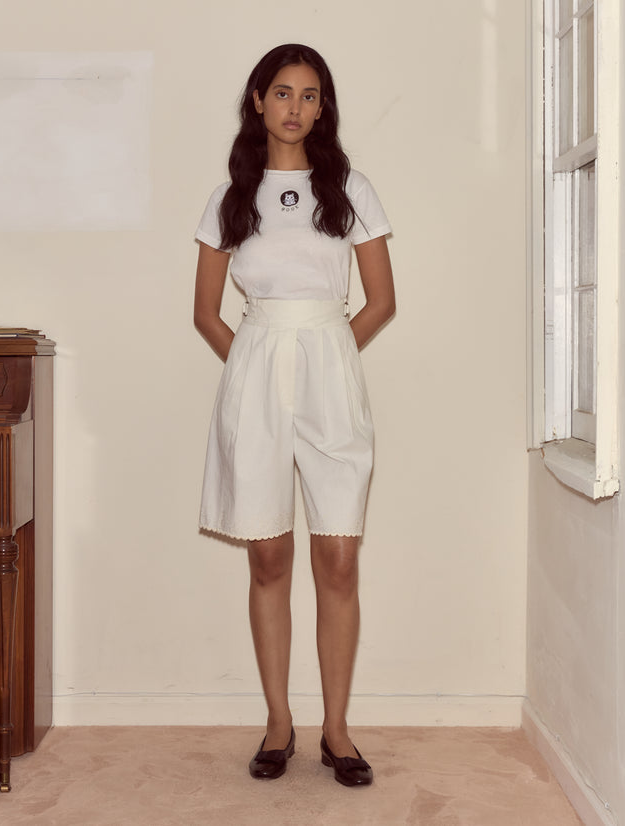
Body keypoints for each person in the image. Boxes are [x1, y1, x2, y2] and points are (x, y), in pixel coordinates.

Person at [193, 43, 395, 787]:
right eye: (282, 92)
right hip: (257, 375)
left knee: (338, 559)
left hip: (331, 375)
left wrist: (331, 353)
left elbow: (381, 301)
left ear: (322, 108)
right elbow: (205, 313)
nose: (295, 107)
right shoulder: (228, 199)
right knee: (269, 556)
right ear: (258, 100)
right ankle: (278, 721)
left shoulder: (350, 190)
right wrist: (255, 361)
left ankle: (336, 728)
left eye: (311, 96)